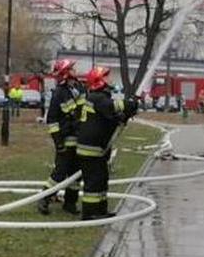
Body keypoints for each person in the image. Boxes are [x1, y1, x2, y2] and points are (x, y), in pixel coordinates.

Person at [76, 66, 138, 220]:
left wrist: (124, 116)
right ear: (99, 81)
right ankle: (90, 213)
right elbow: (114, 107)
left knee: (101, 180)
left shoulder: (98, 98)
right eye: (106, 77)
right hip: (91, 150)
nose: (109, 79)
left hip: (97, 149)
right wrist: (130, 103)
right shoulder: (98, 98)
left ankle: (100, 211)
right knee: (93, 184)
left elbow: (110, 118)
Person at [38, 59, 83, 216]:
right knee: (60, 172)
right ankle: (44, 198)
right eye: (71, 69)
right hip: (65, 140)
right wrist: (58, 143)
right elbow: (52, 121)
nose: (74, 71)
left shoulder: (76, 88)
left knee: (76, 174)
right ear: (65, 73)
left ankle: (70, 203)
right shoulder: (59, 93)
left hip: (77, 139)